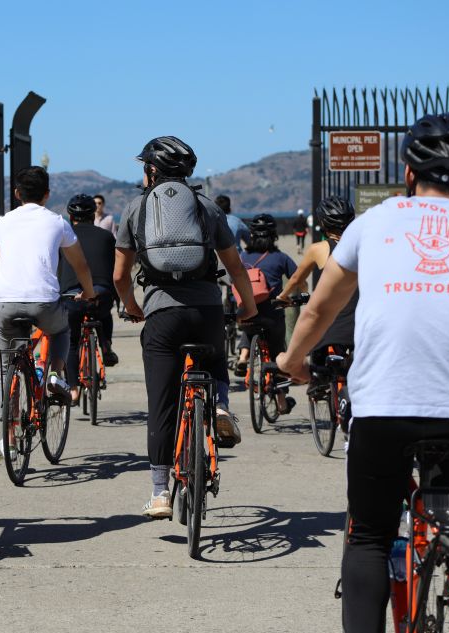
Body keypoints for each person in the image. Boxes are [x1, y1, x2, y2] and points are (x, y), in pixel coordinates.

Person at [276, 113, 449, 633]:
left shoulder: (375, 223)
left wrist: (292, 362)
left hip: (384, 410)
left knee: (367, 536)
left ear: (408, 177)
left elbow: (319, 312)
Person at [113, 135, 258, 519]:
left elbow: (119, 275)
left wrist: (131, 307)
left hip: (162, 314)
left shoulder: (135, 210)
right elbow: (236, 266)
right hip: (206, 309)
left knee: (161, 403)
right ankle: (222, 406)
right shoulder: (207, 208)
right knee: (213, 359)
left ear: (151, 171)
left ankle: (160, 492)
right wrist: (248, 307)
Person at [0, 166, 96, 460]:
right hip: (45, 302)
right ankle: (55, 373)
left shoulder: (2, 223)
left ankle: (9, 437)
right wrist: (88, 292)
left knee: (6, 367)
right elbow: (80, 265)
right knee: (61, 330)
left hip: (6, 301)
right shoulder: (57, 222)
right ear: (47, 195)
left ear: (17, 194)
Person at [232, 215, 299, 413]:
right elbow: (297, 280)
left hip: (246, 314)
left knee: (249, 324)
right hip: (272, 315)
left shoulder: (242, 257)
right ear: (274, 236)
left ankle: (244, 356)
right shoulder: (281, 258)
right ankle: (281, 402)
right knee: (278, 353)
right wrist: (287, 296)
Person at [278, 195, 357, 360]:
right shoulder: (365, 244)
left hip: (331, 325)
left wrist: (283, 297)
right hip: (363, 322)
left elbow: (296, 280)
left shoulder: (318, 249)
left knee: (318, 373)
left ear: (322, 223)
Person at [59, 193, 119, 406]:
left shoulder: (63, 238)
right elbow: (116, 271)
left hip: (71, 296)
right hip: (100, 294)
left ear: (70, 216)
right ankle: (106, 345)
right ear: (93, 215)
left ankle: (73, 390)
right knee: (105, 315)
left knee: (72, 342)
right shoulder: (106, 237)